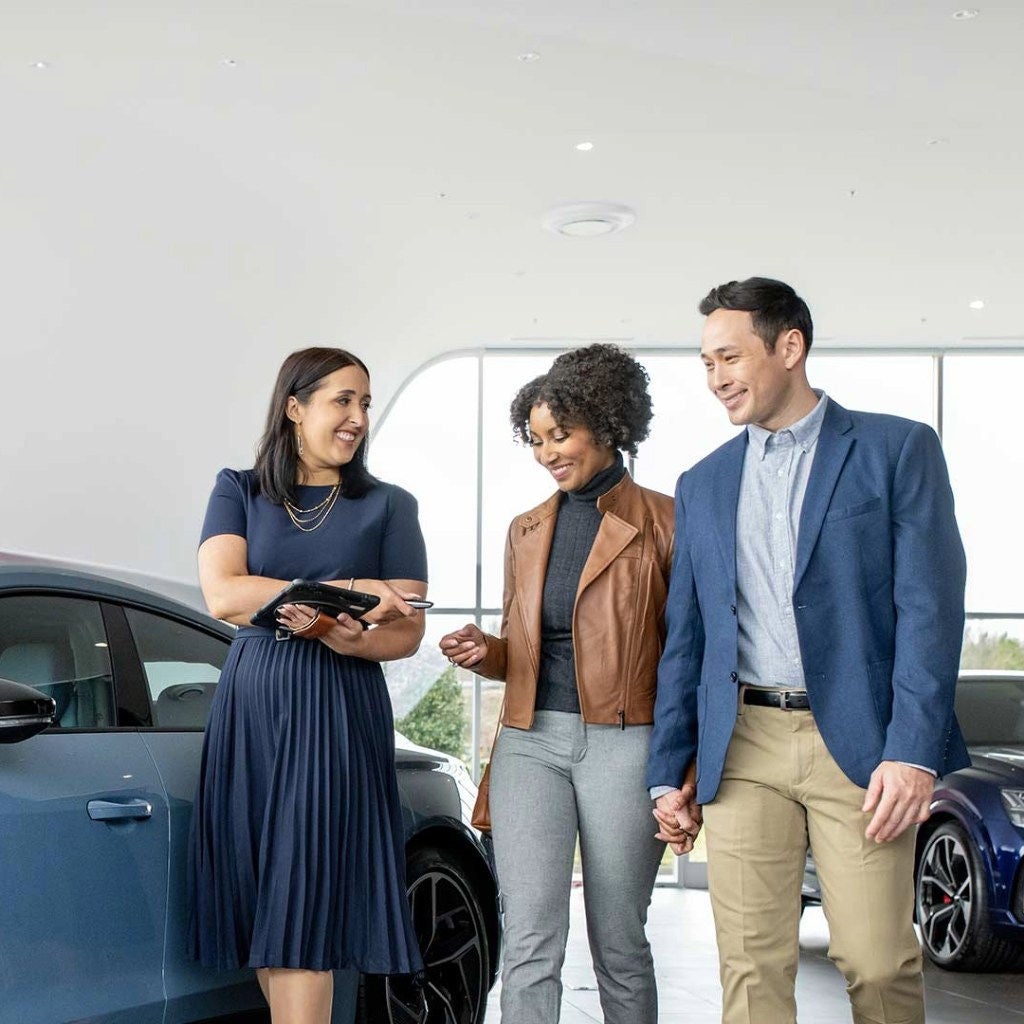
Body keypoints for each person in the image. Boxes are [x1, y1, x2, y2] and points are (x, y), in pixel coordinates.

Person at [647, 277, 969, 1024]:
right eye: (705, 362)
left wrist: (913, 751)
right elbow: (687, 636)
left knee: (877, 959)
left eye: (729, 356)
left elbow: (930, 608)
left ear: (789, 347)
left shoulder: (897, 449)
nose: (716, 377)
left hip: (860, 744)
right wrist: (670, 767)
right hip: (746, 744)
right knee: (751, 970)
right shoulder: (703, 482)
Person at [440, 344, 684, 1024]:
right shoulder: (525, 529)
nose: (548, 452)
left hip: (627, 743)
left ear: (608, 425)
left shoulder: (669, 522)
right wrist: (484, 650)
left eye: (561, 434)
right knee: (528, 939)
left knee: (620, 941)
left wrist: (684, 763)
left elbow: (688, 653)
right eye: (538, 439)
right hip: (529, 744)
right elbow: (525, 650)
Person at [188, 347, 428, 1024]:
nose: (357, 418)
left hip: (335, 704)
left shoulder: (389, 507)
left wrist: (353, 635)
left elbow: (404, 628)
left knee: (302, 909)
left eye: (365, 403)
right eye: (342, 401)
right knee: (268, 906)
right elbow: (222, 594)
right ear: (295, 408)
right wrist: (350, 590)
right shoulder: (237, 488)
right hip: (254, 706)